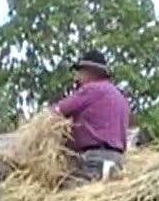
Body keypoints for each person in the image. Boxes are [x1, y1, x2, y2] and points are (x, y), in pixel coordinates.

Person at [52, 50, 132, 188]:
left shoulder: (91, 90)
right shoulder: (120, 97)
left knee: (65, 195)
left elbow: (57, 112)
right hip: (116, 160)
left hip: (94, 159)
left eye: (79, 72)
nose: (76, 78)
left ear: (89, 72)